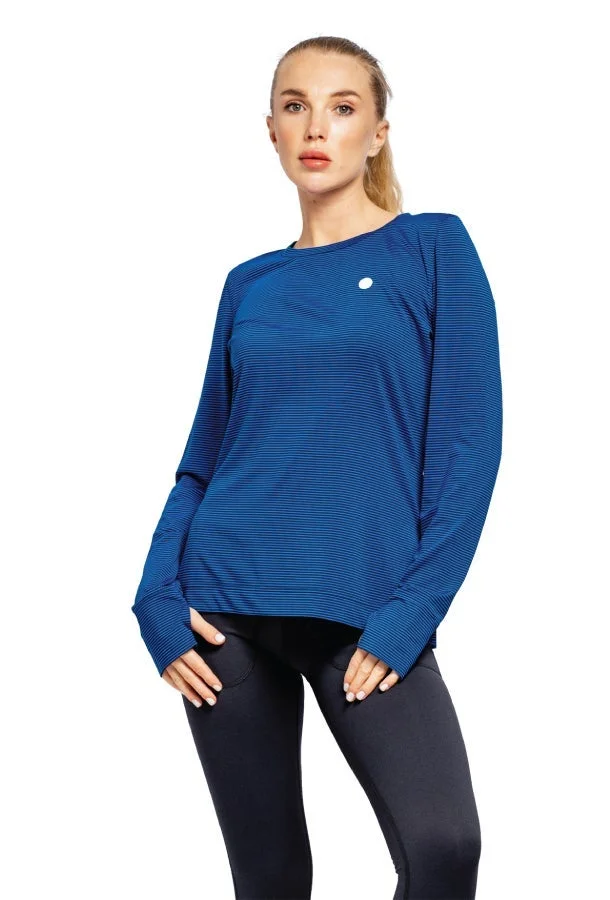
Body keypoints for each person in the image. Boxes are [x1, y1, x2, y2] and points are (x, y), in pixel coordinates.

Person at [131, 35, 503, 900]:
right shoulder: (250, 282)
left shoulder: (433, 249)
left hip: (364, 608)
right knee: (270, 877)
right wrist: (155, 595)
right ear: (270, 128)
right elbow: (203, 460)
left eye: (342, 107)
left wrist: (412, 612)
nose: (316, 127)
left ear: (377, 133)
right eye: (295, 106)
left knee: (444, 847)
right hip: (223, 608)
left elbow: (467, 450)